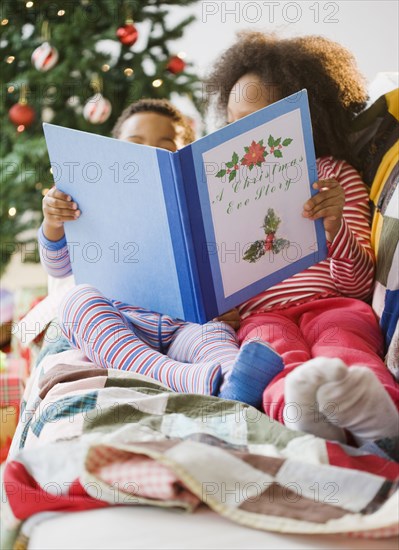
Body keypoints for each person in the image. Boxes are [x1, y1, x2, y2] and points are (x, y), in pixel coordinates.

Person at [205, 32, 399, 444]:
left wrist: (336, 227)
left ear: (303, 118)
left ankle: (380, 418)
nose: (245, 138)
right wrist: (218, 309)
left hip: (334, 304)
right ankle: (299, 417)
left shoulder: (333, 176)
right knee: (271, 358)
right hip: (262, 315)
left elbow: (359, 285)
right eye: (235, 123)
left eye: (260, 122)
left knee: (342, 344)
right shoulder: (218, 190)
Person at [39, 98, 282, 405]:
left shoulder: (201, 207)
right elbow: (58, 267)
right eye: (135, 144)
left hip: (185, 326)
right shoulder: (91, 200)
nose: (148, 154)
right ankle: (176, 376)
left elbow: (231, 264)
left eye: (164, 147)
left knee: (215, 335)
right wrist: (53, 223)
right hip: (120, 322)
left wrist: (226, 303)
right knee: (75, 303)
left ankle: (234, 380)